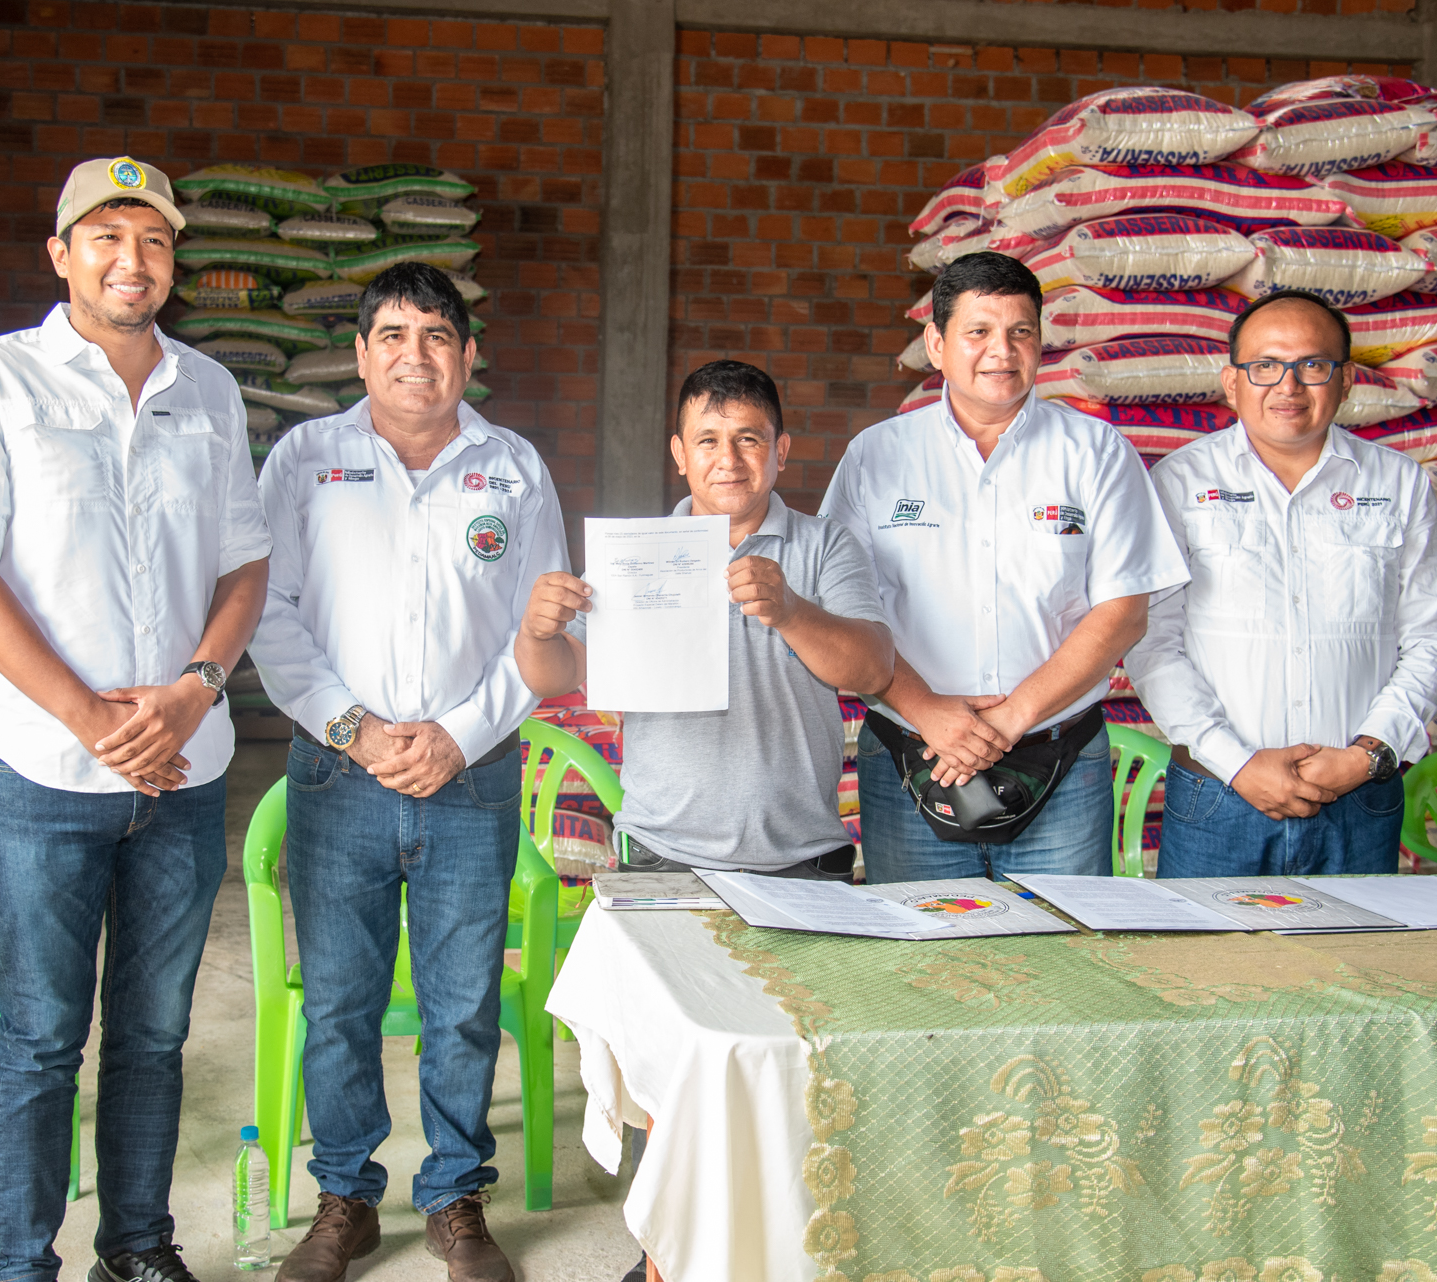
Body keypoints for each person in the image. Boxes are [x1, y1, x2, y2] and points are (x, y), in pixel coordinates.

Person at [0, 157, 270, 1282]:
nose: (134, 261)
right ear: (61, 253)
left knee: (156, 1034)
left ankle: (139, 1244)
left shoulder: (209, 390)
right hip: (42, 775)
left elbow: (244, 568)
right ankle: (24, 1261)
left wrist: (192, 691)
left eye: (156, 241)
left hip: (183, 769)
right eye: (107, 237)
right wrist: (90, 717)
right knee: (38, 1039)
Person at [249, 261, 568, 1282]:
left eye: (436, 335)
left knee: (461, 998)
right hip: (340, 772)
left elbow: (542, 634)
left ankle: (456, 1198)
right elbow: (268, 610)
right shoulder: (306, 457)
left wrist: (458, 735)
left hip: (470, 778)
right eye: (392, 334)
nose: (414, 355)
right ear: (359, 353)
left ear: (469, 355)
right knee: (339, 995)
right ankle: (345, 1197)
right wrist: (357, 727)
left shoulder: (513, 468)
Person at [821, 251, 1190, 883]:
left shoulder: (1095, 452)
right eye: (978, 332)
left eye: (1021, 332)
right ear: (936, 344)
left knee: (1063, 960)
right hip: (911, 754)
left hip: (1059, 759)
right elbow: (842, 613)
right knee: (920, 963)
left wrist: (1009, 719)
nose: (1002, 350)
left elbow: (1124, 612)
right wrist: (930, 712)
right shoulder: (876, 457)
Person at [1124, 289, 1437, 876]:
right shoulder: (1178, 483)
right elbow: (1151, 641)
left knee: (1356, 967)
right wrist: (1237, 763)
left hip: (1359, 798)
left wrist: (1369, 754)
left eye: (1312, 365)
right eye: (1265, 366)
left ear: (1346, 379)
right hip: (1219, 799)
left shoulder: (1399, 484)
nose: (1288, 386)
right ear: (1232, 383)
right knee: (1200, 969)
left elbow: (1434, 637)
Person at [514, 358, 894, 878]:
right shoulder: (636, 553)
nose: (728, 460)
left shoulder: (825, 545)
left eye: (749, 439)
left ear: (780, 451)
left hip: (802, 858)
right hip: (661, 853)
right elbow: (554, 674)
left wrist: (791, 612)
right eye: (708, 440)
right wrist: (537, 632)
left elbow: (873, 670)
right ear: (680, 454)